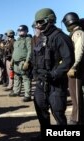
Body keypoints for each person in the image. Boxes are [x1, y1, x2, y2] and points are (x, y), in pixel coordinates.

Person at [31, 8, 75, 141]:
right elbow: (36, 57)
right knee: (41, 109)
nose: (38, 26)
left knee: (57, 112)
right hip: (41, 82)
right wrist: (34, 71)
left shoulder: (60, 37)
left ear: (49, 20)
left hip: (56, 83)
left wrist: (54, 74)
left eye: (40, 22)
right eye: (36, 23)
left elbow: (68, 60)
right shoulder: (41, 38)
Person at [62, 12, 84, 125]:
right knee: (75, 95)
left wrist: (74, 66)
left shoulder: (78, 33)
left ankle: (76, 119)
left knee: (76, 96)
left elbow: (79, 51)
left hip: (76, 69)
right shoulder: (74, 33)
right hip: (73, 68)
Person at [9, 25, 32, 102]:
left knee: (26, 78)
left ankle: (27, 95)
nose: (20, 32)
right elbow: (14, 52)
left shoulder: (28, 39)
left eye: (22, 30)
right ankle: (16, 91)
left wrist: (27, 62)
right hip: (16, 62)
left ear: (26, 31)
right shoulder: (17, 41)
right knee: (17, 77)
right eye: (19, 31)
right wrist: (12, 61)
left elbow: (30, 51)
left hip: (23, 62)